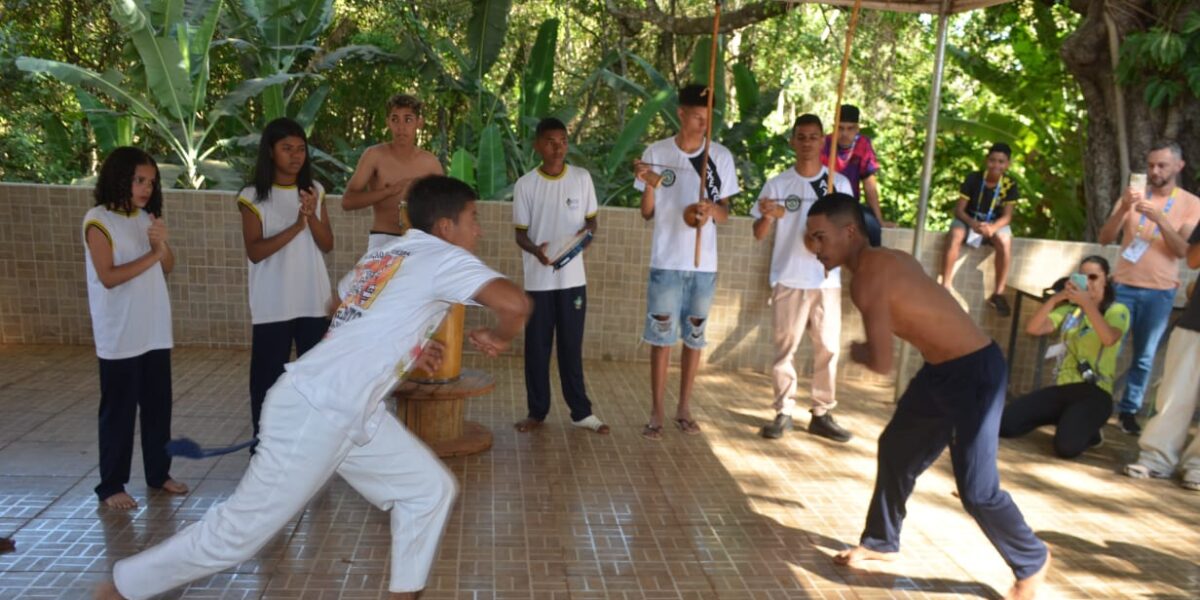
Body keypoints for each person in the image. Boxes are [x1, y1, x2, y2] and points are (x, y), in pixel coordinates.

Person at [94, 175, 532, 600]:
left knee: (427, 490)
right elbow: (515, 304)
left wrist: (407, 349)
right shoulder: (445, 256)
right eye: (473, 217)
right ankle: (120, 588)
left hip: (346, 411)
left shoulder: (389, 254)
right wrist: (500, 336)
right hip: (318, 411)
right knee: (236, 537)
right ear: (445, 227)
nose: (479, 227)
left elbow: (338, 306)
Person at [805, 193, 1049, 600]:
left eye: (819, 238)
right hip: (943, 371)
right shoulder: (890, 258)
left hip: (977, 373)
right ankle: (882, 543)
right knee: (897, 447)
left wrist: (857, 351)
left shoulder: (866, 280)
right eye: (810, 239)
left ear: (849, 232)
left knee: (977, 489)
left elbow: (882, 362)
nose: (814, 249)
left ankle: (1032, 559)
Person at [632, 83, 740, 440]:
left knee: (694, 337)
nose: (702, 124)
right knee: (661, 337)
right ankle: (657, 411)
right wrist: (648, 183)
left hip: (703, 264)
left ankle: (684, 407)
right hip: (666, 259)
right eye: (696, 117)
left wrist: (710, 211)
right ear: (680, 113)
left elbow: (726, 213)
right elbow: (647, 214)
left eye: (708, 118)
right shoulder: (657, 151)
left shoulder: (719, 157)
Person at [83, 147, 188, 510]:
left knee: (158, 409)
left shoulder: (145, 217)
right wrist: (153, 255)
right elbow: (109, 277)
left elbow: (168, 265)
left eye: (151, 182)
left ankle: (159, 474)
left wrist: (160, 244)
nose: (145, 188)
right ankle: (112, 485)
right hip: (120, 335)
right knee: (119, 412)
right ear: (119, 177)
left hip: (154, 330)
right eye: (139, 180)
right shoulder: (98, 220)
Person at [751, 114, 853, 442]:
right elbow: (758, 232)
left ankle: (822, 413)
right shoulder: (778, 184)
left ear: (823, 140)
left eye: (813, 137)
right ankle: (783, 412)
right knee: (784, 349)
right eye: (801, 137)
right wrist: (767, 215)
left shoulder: (839, 185)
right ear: (793, 141)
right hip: (789, 276)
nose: (807, 142)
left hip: (826, 280)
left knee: (828, 348)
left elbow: (851, 232)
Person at [237, 118, 334, 441]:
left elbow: (327, 243)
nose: (295, 156)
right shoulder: (252, 196)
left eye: (301, 149)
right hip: (273, 303)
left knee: (314, 378)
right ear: (270, 151)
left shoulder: (314, 191)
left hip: (312, 301)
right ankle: (264, 445)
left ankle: (312, 445)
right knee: (266, 381)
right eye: (287, 149)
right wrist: (295, 226)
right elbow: (255, 251)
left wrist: (310, 215)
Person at [512, 117, 608, 434]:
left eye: (563, 141)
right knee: (537, 348)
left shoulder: (581, 179)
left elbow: (592, 224)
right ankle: (536, 412)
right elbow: (520, 235)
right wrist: (536, 251)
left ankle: (581, 412)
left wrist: (586, 237)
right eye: (551, 142)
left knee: (571, 346)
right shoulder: (526, 185)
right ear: (538, 145)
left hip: (573, 284)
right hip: (538, 282)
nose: (558, 148)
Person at [1098, 140, 1200, 434]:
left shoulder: (1191, 204)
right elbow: (1105, 237)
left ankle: (1129, 412)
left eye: (1162, 165)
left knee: (1144, 356)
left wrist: (1160, 219)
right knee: (1108, 349)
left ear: (1178, 167)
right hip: (1123, 286)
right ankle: (1097, 405)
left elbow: (1184, 252)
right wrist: (1123, 210)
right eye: (1151, 165)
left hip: (1160, 291)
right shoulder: (1132, 195)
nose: (1155, 171)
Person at [999, 256, 1129, 458]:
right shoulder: (1070, 310)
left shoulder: (1117, 310)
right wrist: (1055, 299)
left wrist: (1088, 304)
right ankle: (1069, 419)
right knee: (1004, 424)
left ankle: (1091, 431)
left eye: (1093, 277)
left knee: (1067, 448)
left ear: (1107, 279)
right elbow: (1033, 328)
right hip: (1064, 389)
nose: (1088, 283)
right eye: (1082, 277)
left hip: (1095, 391)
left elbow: (1109, 338)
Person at [1123, 222, 1200, 489]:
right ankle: (1156, 459)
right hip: (1195, 324)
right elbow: (1192, 259)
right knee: (1174, 396)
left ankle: (1197, 467)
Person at [342, 94, 444, 250]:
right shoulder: (374, 156)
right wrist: (389, 191)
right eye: (395, 119)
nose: (401, 127)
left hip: (420, 243)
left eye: (408, 119)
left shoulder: (431, 163)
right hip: (382, 240)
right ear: (388, 123)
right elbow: (348, 201)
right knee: (379, 275)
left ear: (419, 122)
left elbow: (445, 209)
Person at [940, 143, 1020, 317]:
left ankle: (998, 294)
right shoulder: (973, 179)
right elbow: (959, 210)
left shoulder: (1010, 184)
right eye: (992, 160)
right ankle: (945, 285)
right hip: (969, 219)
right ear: (986, 160)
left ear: (1008, 164)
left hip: (994, 224)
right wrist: (972, 223)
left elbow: (1007, 217)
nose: (996, 165)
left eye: (1001, 162)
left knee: (1005, 241)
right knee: (956, 234)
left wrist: (993, 228)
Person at [820, 104, 887, 246]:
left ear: (857, 129)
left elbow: (870, 186)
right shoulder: (823, 143)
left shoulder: (863, 144)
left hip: (850, 206)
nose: (844, 133)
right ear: (834, 127)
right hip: (822, 202)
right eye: (840, 128)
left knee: (873, 227)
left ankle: (870, 266)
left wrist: (879, 219)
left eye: (850, 128)